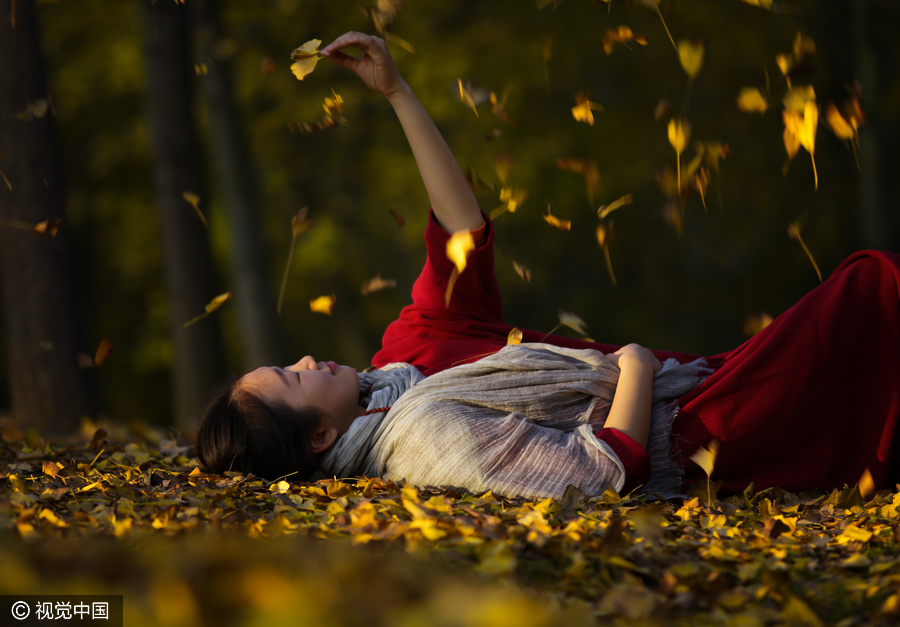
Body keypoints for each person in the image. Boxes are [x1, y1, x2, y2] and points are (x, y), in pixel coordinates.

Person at [196, 32, 900, 501]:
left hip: (702, 380)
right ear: (321, 437)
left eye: (288, 360)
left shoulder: (407, 355)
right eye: (294, 376)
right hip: (700, 433)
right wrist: (635, 368)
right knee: (873, 291)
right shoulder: (424, 442)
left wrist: (397, 94)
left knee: (872, 304)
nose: (307, 358)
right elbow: (601, 475)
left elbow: (461, 230)